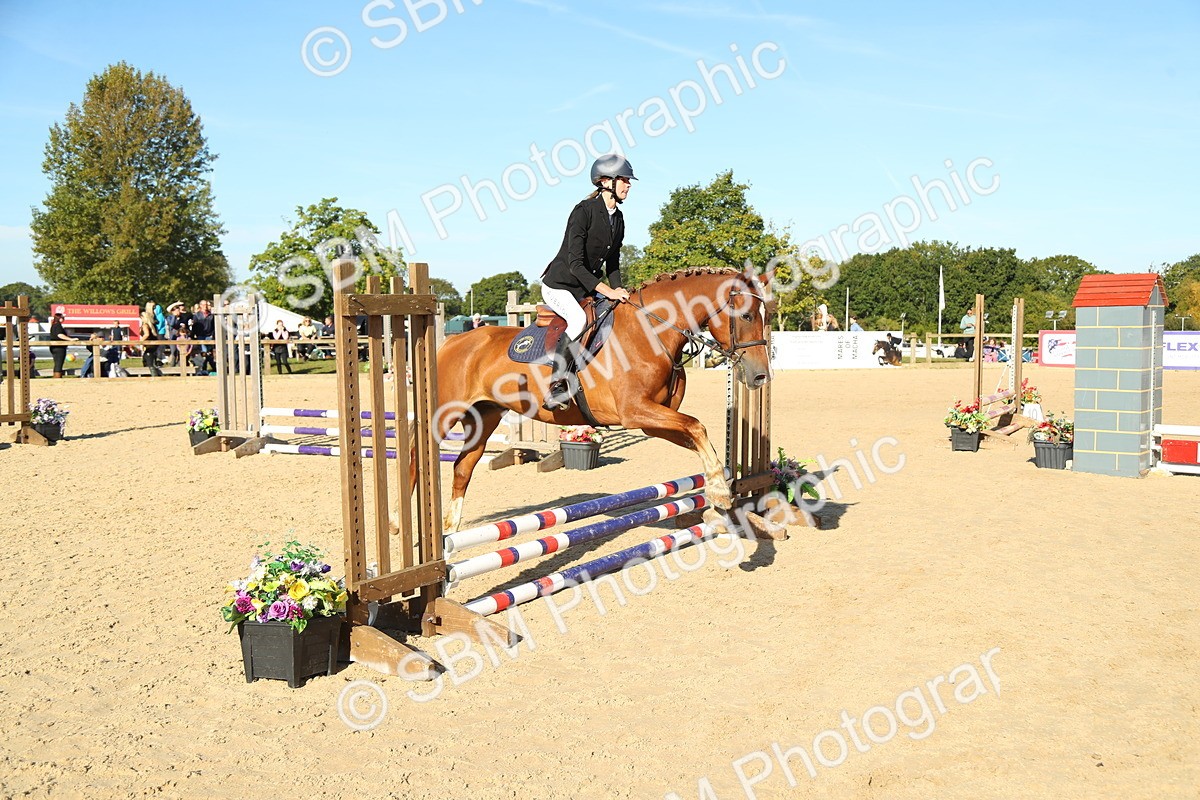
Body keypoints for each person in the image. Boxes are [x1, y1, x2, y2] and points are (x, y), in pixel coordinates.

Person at [539, 153, 634, 410]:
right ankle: (557, 384)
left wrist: (618, 289)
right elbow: (575, 265)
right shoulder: (583, 211)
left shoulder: (619, 218)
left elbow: (612, 262)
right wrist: (606, 289)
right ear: (606, 182)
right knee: (580, 320)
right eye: (624, 180)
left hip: (585, 288)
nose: (629, 185)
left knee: (616, 313)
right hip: (559, 285)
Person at [49, 312, 76, 378]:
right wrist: (70, 339)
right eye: (63, 318)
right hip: (59, 347)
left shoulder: (54, 325)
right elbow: (60, 335)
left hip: (54, 347)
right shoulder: (58, 325)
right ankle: (57, 377)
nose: (64, 319)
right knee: (59, 363)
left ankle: (56, 376)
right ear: (59, 318)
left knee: (57, 363)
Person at [139, 301, 163, 376]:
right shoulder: (152, 325)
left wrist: (140, 341)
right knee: (151, 360)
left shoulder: (145, 325)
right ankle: (156, 374)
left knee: (149, 361)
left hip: (149, 345)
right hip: (153, 345)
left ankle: (154, 376)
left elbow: (146, 334)